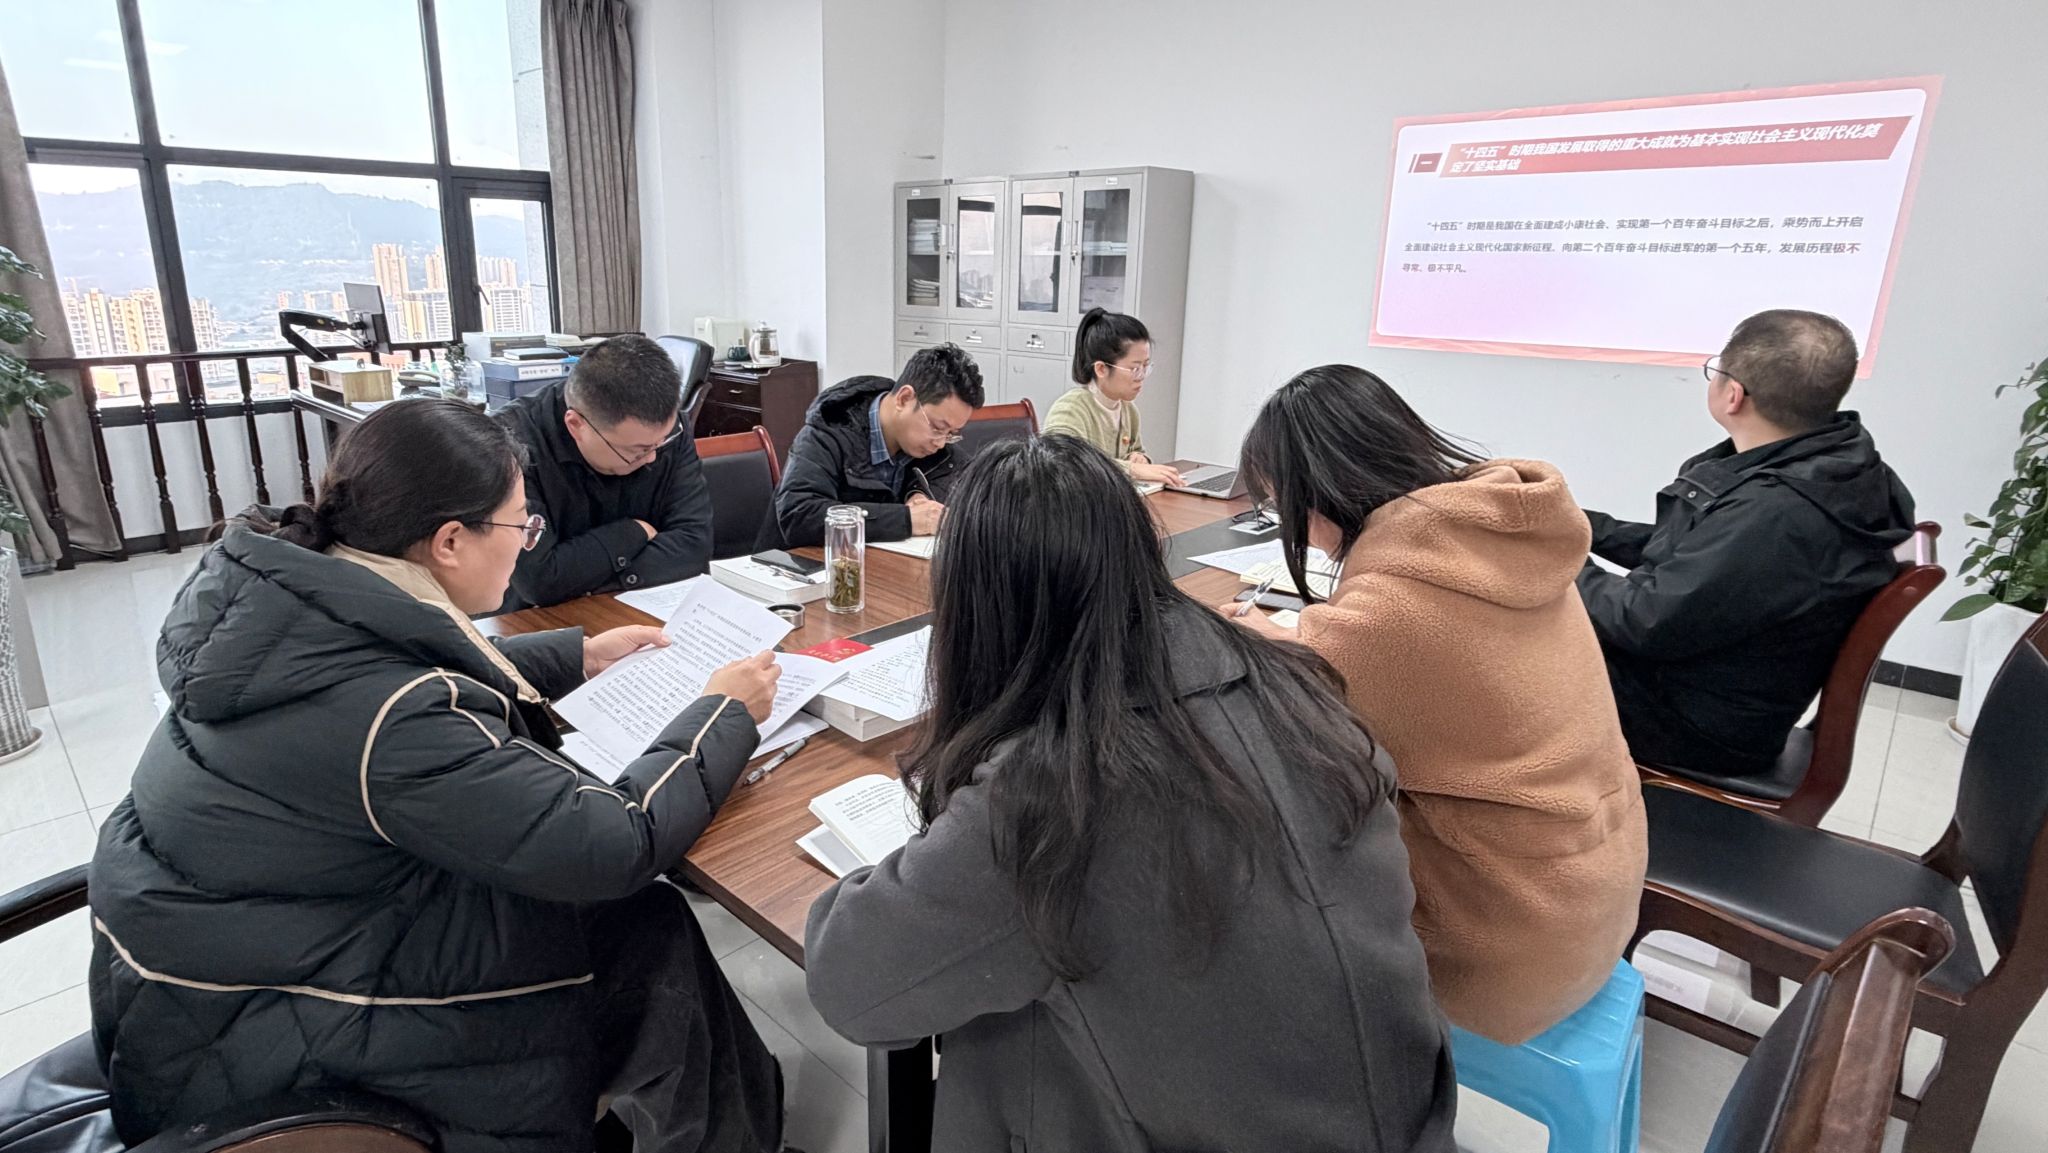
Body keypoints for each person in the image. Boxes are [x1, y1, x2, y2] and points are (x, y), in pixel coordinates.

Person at [88, 399, 786, 1153]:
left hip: (221, 971)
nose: (527, 543)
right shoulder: (391, 718)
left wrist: (575, 656)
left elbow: (387, 668)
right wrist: (723, 711)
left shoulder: (292, 600)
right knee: (641, 925)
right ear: (450, 540)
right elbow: (615, 842)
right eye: (522, 525)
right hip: (278, 1030)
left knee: (644, 925)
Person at [805, 435, 1456, 1152]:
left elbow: (849, 983)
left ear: (976, 609)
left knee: (996, 1014)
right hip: (1408, 1118)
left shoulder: (1053, 789)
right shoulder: (1294, 684)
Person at [1229, 365, 1647, 1045]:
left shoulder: (1391, 610)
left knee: (1248, 825)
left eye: (1284, 506)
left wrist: (1263, 638)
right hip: (1594, 892)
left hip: (1507, 949)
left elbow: (1301, 705)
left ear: (1320, 495)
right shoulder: (1498, 547)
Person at [1578, 310, 1915, 779]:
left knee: (1499, 630)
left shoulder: (1777, 512)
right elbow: (1697, 557)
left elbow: (1643, 618)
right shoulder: (1837, 463)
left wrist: (1551, 561)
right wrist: (1578, 525)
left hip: (1698, 726)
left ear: (1733, 394)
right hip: (1722, 686)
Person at [497, 334, 712, 609]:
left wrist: (585, 578)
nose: (653, 457)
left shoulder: (669, 432)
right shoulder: (508, 447)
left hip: (640, 608)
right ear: (576, 425)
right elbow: (540, 581)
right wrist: (633, 532)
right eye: (638, 450)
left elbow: (694, 546)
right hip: (534, 623)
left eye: (660, 443)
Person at [761, 342, 983, 547]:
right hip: (794, 566)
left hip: (877, 564)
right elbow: (799, 514)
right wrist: (906, 519)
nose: (941, 442)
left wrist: (918, 494)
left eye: (951, 434)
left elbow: (967, 483)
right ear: (904, 399)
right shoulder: (829, 430)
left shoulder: (928, 444)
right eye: (937, 427)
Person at [1040, 307, 1185, 485]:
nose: (1141, 377)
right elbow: (1062, 463)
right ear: (1101, 369)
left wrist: (1139, 458)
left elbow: (1136, 451)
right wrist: (1131, 469)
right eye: (1135, 369)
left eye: (1145, 367)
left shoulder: (1128, 410)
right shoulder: (1071, 409)